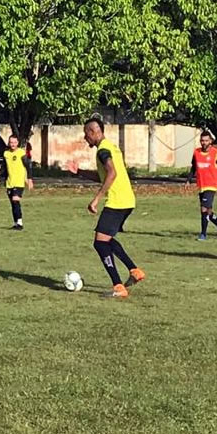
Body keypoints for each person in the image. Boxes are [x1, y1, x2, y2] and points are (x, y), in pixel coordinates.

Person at [66, 118, 145, 299]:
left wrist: (96, 199)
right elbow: (104, 175)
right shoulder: (111, 146)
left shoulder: (103, 150)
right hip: (127, 201)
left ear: (94, 132)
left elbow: (112, 172)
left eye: (86, 135)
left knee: (100, 243)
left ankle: (118, 286)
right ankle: (135, 271)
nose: (86, 139)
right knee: (106, 240)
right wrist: (79, 172)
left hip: (117, 201)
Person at [185, 131, 217, 240]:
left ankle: (203, 234)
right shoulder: (196, 152)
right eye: (202, 140)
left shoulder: (216, 154)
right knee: (208, 211)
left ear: (210, 141)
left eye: (206, 140)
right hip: (201, 185)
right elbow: (194, 168)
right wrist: (188, 180)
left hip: (211, 185)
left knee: (203, 209)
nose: (204, 142)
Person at [0, 134, 33, 230]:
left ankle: (20, 223)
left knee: (15, 200)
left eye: (14, 142)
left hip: (19, 182)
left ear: (17, 143)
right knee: (13, 203)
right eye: (11, 142)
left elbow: (28, 166)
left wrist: (29, 179)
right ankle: (16, 223)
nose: (13, 144)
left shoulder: (21, 153)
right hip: (9, 182)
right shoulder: (6, 153)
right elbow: (4, 167)